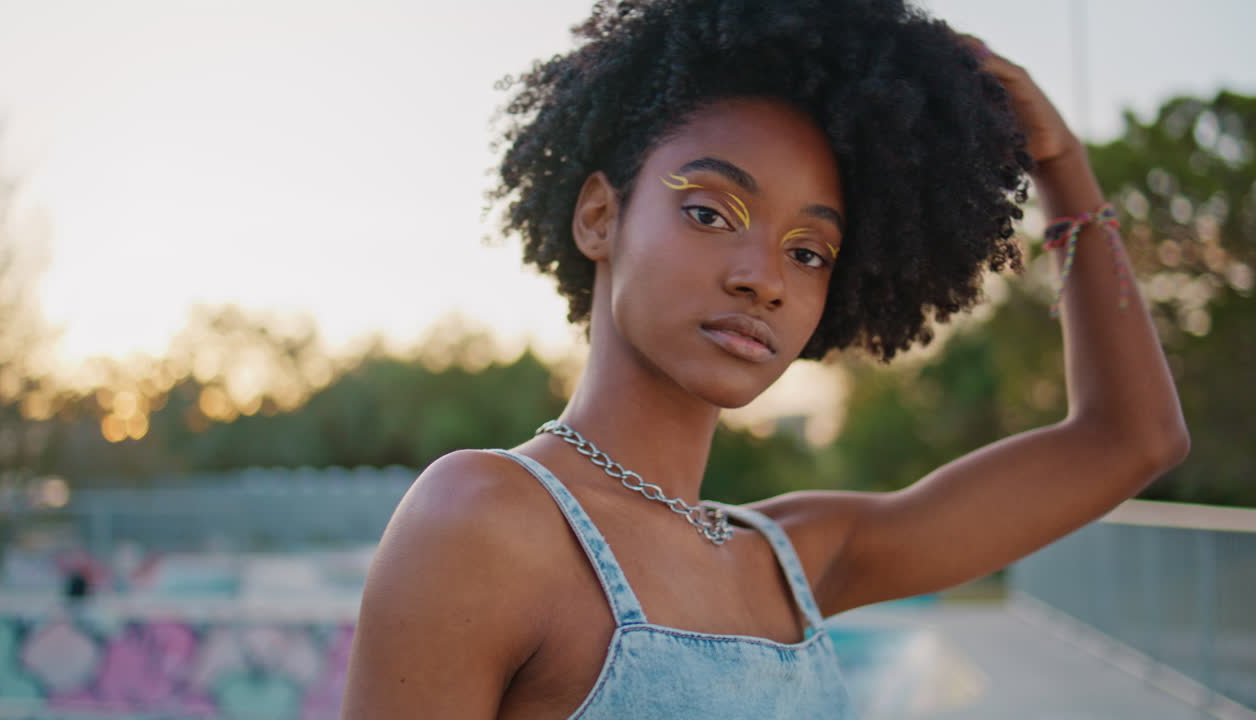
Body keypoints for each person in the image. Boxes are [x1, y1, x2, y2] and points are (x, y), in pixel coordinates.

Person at [339, 0, 1189, 717]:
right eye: (709, 212)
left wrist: (1065, 172)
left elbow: (1133, 440)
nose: (764, 280)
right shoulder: (486, 519)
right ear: (600, 216)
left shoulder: (792, 560)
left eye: (809, 252)